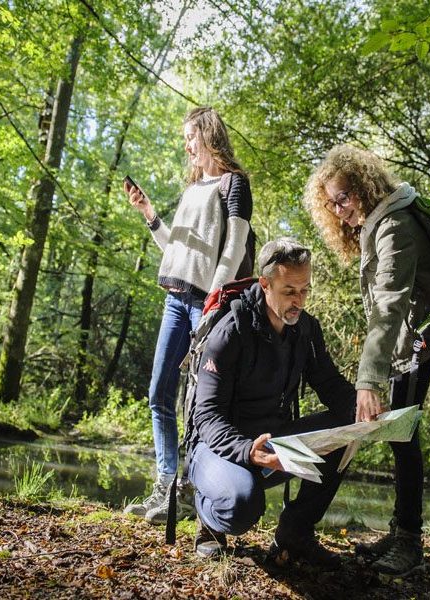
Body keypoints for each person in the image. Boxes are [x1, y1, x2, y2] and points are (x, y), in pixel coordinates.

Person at [304, 144, 430, 577]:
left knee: (403, 436)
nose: (338, 208)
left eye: (344, 197)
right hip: (404, 344)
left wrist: (369, 379)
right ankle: (401, 530)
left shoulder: (394, 228)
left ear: (365, 186)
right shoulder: (378, 223)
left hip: (416, 345)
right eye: (331, 202)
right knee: (399, 436)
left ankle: (409, 542)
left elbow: (388, 307)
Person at [188, 238, 373, 567]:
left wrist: (363, 410)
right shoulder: (230, 331)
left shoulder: (306, 330)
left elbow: (329, 384)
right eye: (289, 291)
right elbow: (206, 416)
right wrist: (248, 451)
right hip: (217, 447)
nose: (298, 301)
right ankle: (208, 520)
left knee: (347, 429)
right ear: (265, 284)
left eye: (304, 290)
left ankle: (295, 533)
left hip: (274, 443)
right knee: (243, 504)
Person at [123, 106, 253, 524]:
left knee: (199, 404)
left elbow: (233, 250)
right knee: (159, 392)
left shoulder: (234, 184)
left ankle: (195, 494)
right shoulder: (194, 187)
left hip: (206, 305)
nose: (186, 145)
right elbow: (175, 253)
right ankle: (165, 488)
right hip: (174, 300)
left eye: (189, 137)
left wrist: (214, 302)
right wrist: (149, 214)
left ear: (208, 133)